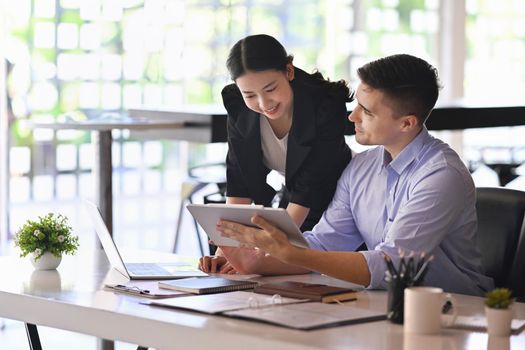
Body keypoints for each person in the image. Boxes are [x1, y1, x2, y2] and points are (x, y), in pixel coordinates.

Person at [212, 54, 494, 296]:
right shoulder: (362, 166)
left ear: (407, 123)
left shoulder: (440, 176)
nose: (352, 117)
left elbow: (391, 265)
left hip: (457, 311)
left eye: (366, 111)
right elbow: (323, 244)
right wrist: (253, 259)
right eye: (357, 104)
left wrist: (291, 253)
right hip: (385, 303)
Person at [200, 34, 353, 273]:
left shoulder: (324, 105)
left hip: (340, 201)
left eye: (270, 89)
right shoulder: (239, 108)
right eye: (250, 94)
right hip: (292, 199)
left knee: (299, 269)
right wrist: (228, 251)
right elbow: (239, 182)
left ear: (289, 72)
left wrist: (258, 254)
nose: (264, 103)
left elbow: (310, 187)